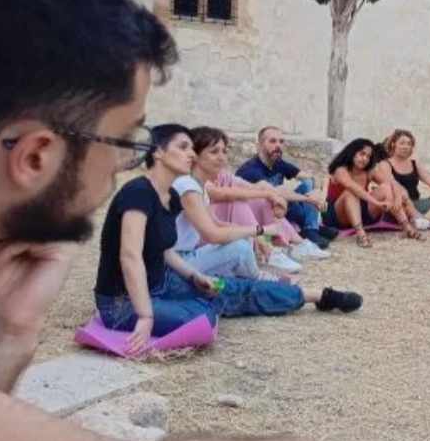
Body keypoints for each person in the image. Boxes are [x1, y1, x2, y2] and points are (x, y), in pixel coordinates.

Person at [0, 0, 342, 441]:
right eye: (125, 142)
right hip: (132, 309)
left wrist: (12, 334)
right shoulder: (144, 196)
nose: (120, 170)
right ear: (37, 156)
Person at [95, 124, 363, 354]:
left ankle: (317, 295)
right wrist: (145, 316)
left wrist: (194, 276)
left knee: (229, 288)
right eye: (183, 147)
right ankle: (201, 302)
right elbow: (129, 256)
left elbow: (165, 250)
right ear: (158, 152)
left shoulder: (171, 196)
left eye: (192, 148)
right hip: (121, 303)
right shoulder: (138, 193)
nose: (191, 154)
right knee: (206, 315)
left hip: (162, 283)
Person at [188, 125, 330, 274]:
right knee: (241, 200)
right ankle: (275, 247)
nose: (222, 157)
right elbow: (222, 194)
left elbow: (258, 187)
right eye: (214, 152)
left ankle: (295, 243)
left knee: (271, 194)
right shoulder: (248, 170)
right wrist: (267, 199)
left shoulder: (275, 164)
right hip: (203, 241)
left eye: (224, 151)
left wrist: (306, 198)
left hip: (235, 224)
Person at [235, 127, 336, 249]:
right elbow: (275, 192)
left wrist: (318, 193)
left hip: (280, 207)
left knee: (307, 183)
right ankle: (309, 228)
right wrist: (309, 199)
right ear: (260, 145)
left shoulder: (278, 163)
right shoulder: (251, 169)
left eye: (281, 141)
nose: (278, 145)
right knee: (288, 200)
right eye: (273, 141)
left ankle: (311, 228)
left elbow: (310, 177)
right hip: (262, 215)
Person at [323, 138, 422, 246]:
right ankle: (361, 235)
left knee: (386, 187)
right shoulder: (340, 170)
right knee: (350, 193)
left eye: (368, 156)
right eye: (362, 154)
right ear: (352, 153)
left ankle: (407, 228)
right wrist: (377, 203)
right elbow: (354, 188)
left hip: (362, 213)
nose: (365, 159)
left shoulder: (369, 171)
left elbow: (392, 183)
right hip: (338, 216)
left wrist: (392, 199)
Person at [376, 129, 430, 230]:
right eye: (402, 143)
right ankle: (429, 220)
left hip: (416, 203)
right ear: (393, 144)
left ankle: (425, 221)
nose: (406, 146)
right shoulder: (385, 164)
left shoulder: (414, 163)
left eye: (409, 144)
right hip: (399, 205)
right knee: (402, 195)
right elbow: (392, 184)